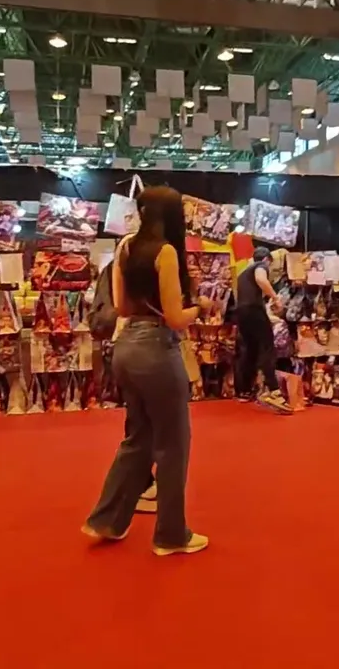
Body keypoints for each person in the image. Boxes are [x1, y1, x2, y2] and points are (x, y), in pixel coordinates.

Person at [84, 185, 210, 556]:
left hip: (126, 349)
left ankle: (107, 519)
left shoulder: (125, 247)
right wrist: (200, 307)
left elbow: (122, 308)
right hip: (157, 351)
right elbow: (175, 318)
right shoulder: (166, 252)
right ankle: (171, 534)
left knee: (137, 438)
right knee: (172, 445)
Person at [234, 246, 291, 413]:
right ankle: (274, 390)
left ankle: (244, 390)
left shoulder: (243, 273)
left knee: (250, 350)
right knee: (267, 347)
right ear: (267, 260)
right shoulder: (260, 266)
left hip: (242, 312)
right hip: (254, 310)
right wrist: (275, 298)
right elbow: (261, 279)